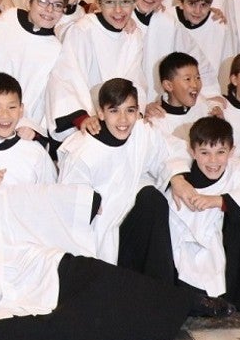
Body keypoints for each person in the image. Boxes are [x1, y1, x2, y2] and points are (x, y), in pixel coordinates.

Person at [0, 144, 206, 340]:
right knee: (18, 339)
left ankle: (185, 301)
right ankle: (148, 318)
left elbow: (31, 200)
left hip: (29, 268)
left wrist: (81, 200)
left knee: (94, 273)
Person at [56, 78, 193, 270]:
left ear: (138, 111)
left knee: (153, 199)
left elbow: (169, 153)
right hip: (98, 232)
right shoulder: (82, 151)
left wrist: (176, 177)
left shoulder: (141, 132)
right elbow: (69, 205)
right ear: (101, 113)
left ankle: (159, 291)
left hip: (128, 221)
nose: (123, 120)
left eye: (130, 110)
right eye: (114, 111)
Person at [165, 117, 240, 316]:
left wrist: (220, 201)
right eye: (205, 153)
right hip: (188, 251)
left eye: (221, 152)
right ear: (192, 152)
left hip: (226, 246)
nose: (213, 161)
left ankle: (238, 296)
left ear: (231, 151)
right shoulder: (183, 180)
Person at [48, 0, 146, 142]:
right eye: (110, 2)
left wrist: (134, 113)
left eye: (125, 2)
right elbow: (67, 77)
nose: (118, 10)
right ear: (98, 3)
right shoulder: (83, 30)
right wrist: (82, 117)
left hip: (122, 120)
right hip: (90, 121)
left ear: (134, 2)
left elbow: (135, 78)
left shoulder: (133, 34)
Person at [0, 0, 68, 133]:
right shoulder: (9, 19)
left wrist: (32, 127)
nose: (49, 10)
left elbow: (45, 99)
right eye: (43, 1)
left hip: (20, 124)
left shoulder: (57, 50)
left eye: (57, 5)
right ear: (28, 1)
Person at [131, 0, 220, 106]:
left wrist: (212, 96)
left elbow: (194, 58)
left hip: (157, 106)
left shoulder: (169, 24)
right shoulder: (120, 17)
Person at [175, 0, 236, 95]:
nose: (197, 11)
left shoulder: (219, 25)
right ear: (181, 3)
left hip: (207, 93)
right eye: (192, 4)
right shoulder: (168, 20)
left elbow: (225, 67)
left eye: (203, 5)